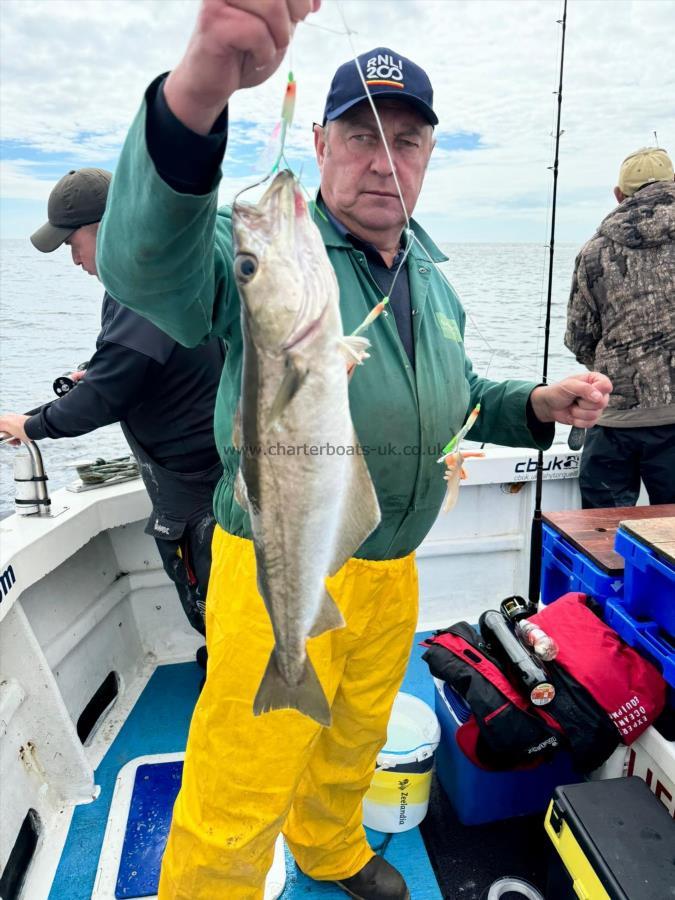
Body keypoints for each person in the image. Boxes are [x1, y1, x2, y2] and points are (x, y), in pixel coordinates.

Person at [96, 3, 611, 898]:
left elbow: (445, 402)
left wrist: (530, 402)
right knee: (241, 775)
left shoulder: (429, 277)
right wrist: (203, 82)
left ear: (427, 160)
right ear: (323, 146)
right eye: (360, 135)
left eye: (408, 141)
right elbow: (148, 261)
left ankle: (330, 847)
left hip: (389, 564)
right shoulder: (264, 254)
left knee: (352, 737)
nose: (384, 160)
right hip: (280, 559)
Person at [0, 167, 225, 656]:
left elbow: (105, 395)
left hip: (198, 489)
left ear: (108, 227)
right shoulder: (169, 266)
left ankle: (239, 685)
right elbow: (132, 367)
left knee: (217, 603)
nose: (73, 258)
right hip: (212, 471)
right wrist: (97, 374)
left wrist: (30, 424)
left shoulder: (143, 285)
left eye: (71, 243)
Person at [565, 147, 675, 508]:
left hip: (613, 421)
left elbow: (579, 337)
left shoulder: (594, 250)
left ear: (618, 196)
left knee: (600, 540)